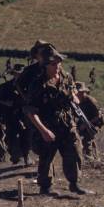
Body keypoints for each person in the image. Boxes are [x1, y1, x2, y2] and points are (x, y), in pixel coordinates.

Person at [25, 47, 93, 196]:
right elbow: (31, 112)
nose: (57, 67)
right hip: (48, 125)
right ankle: (45, 187)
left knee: (74, 152)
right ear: (45, 65)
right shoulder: (37, 84)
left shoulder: (65, 77)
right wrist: (44, 131)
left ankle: (74, 184)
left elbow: (73, 94)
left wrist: (74, 97)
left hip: (67, 123)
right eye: (53, 64)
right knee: (46, 157)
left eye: (59, 63)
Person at [0, 64, 33, 166]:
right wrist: (6, 103)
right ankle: (16, 157)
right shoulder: (7, 86)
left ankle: (27, 156)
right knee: (11, 136)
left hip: (25, 114)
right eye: (16, 74)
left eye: (20, 74)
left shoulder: (30, 86)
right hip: (11, 114)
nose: (18, 76)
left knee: (27, 134)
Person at [75, 82, 104, 159]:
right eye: (78, 92)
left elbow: (98, 116)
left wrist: (86, 125)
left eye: (81, 92)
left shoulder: (91, 101)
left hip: (95, 121)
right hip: (84, 120)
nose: (79, 94)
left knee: (87, 136)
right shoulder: (76, 101)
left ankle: (89, 158)